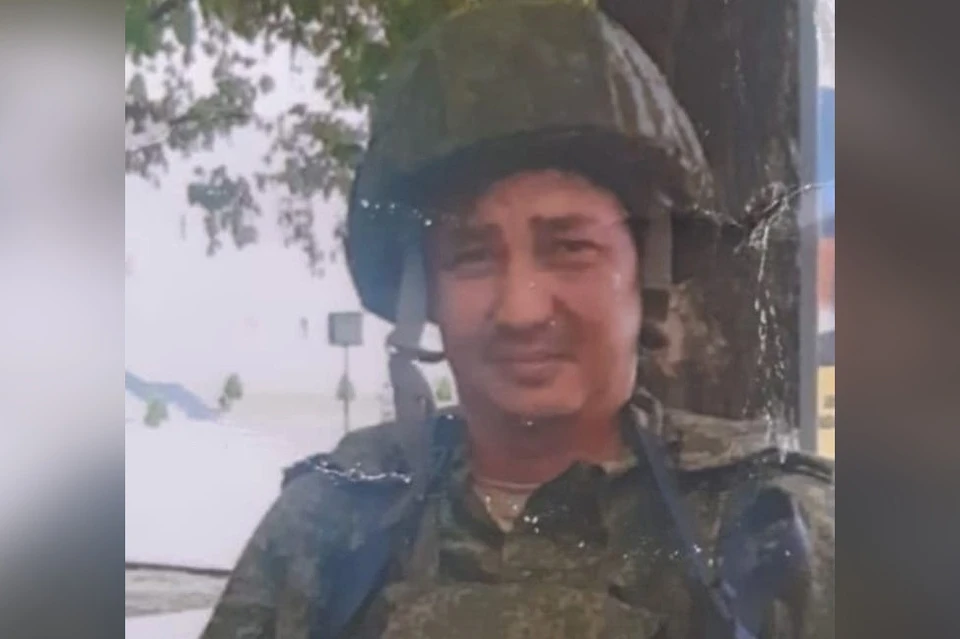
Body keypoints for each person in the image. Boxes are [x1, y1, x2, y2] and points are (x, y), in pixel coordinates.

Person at [201, 3, 834, 638]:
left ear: (645, 271)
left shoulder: (780, 532)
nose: (521, 311)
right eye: (471, 257)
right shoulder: (326, 530)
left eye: (570, 248)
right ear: (424, 294)